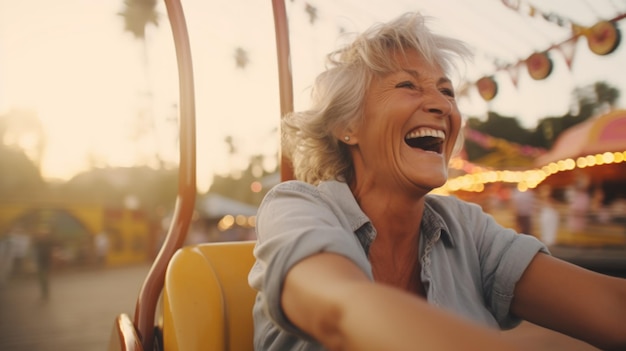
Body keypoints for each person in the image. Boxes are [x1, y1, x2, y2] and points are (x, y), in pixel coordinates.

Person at [248, 12, 626, 351]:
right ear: (347, 126)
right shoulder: (297, 206)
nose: (443, 105)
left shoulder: (466, 228)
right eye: (408, 86)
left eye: (447, 91)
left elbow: (611, 308)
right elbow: (340, 311)